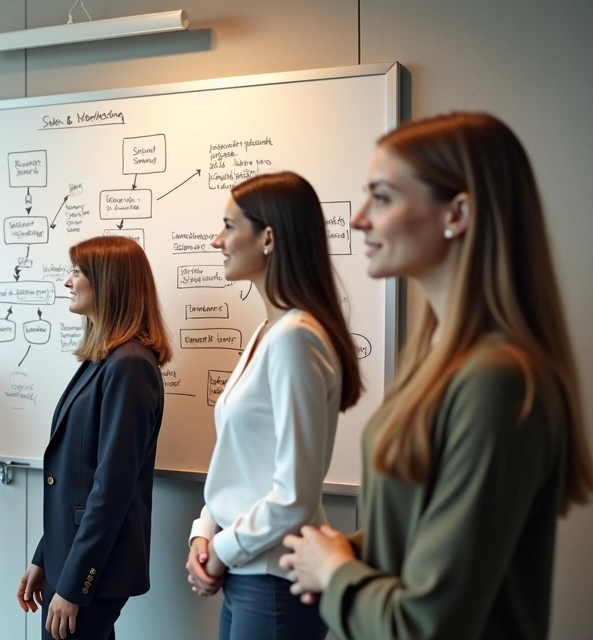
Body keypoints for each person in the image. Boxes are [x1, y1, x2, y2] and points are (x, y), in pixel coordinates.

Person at [280, 113, 593, 640]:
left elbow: (429, 625)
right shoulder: (438, 363)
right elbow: (424, 533)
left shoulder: (498, 380)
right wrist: (347, 551)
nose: (359, 220)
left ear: (458, 212)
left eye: (381, 198)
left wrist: (335, 572)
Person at [183, 172, 363, 639]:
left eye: (227, 225)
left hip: (272, 580)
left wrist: (222, 548)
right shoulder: (269, 332)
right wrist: (204, 532)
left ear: (267, 238)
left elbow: (294, 495)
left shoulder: (295, 338)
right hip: (248, 573)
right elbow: (240, 464)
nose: (216, 239)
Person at [16, 235, 173, 640]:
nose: (68, 283)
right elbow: (77, 481)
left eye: (77, 273)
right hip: (70, 555)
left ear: (109, 284)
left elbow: (112, 488)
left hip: (93, 569)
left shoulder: (131, 365)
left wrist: (74, 584)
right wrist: (45, 557)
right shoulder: (103, 359)